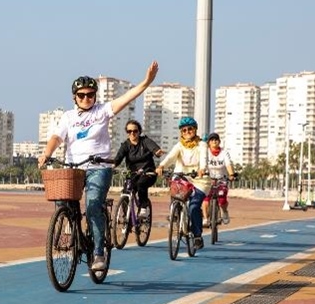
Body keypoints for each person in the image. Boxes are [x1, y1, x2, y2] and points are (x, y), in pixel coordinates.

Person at [38, 61, 159, 271]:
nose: (86, 98)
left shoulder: (102, 110)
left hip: (99, 167)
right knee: (62, 201)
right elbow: (57, 137)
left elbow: (128, 96)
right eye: (82, 95)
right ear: (74, 97)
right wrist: (46, 154)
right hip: (74, 167)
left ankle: (98, 253)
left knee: (93, 206)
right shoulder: (68, 117)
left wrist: (146, 81)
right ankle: (68, 229)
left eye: (90, 94)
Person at [155, 116, 210, 249]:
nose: (187, 132)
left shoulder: (202, 144)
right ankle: (176, 214)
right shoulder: (179, 145)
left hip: (199, 180)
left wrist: (202, 169)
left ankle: (197, 235)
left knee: (194, 206)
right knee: (175, 196)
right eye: (184, 130)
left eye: (190, 129)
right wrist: (161, 166)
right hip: (182, 177)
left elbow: (204, 157)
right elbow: (170, 157)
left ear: (195, 130)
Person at [113, 119, 164, 218]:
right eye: (129, 131)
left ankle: (144, 207)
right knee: (125, 193)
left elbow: (154, 148)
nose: (132, 133)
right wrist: (112, 166)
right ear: (127, 133)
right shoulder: (125, 145)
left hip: (148, 173)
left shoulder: (145, 141)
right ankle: (126, 218)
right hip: (133, 175)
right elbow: (118, 158)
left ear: (139, 132)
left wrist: (157, 151)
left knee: (141, 184)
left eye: (135, 131)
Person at [201, 132, 236, 225]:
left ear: (219, 142)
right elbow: (202, 163)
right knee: (206, 198)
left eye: (216, 140)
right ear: (208, 143)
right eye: (212, 140)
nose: (214, 142)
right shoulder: (205, 153)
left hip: (222, 179)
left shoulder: (224, 153)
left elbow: (228, 164)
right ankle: (205, 218)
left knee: (222, 199)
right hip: (208, 178)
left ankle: (224, 212)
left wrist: (231, 174)